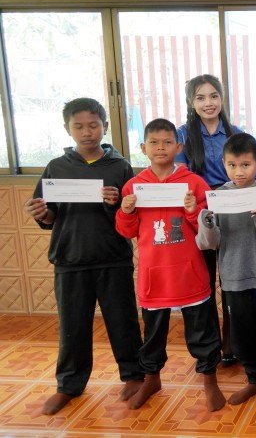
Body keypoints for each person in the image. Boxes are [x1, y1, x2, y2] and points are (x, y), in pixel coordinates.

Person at [23, 97, 143, 415]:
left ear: (105, 126)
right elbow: (49, 216)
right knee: (72, 326)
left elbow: (130, 216)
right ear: (68, 129)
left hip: (113, 257)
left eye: (93, 125)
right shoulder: (56, 167)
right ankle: (69, 385)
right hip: (69, 258)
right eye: (78, 126)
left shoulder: (120, 166)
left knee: (123, 322)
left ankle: (134, 375)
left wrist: (115, 204)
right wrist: (42, 213)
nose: (87, 132)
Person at [116, 118, 225, 412]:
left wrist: (193, 211)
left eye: (167, 142)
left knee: (202, 330)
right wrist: (126, 211)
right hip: (154, 275)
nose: (161, 148)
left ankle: (210, 380)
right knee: (153, 333)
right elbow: (127, 231)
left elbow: (209, 231)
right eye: (154, 142)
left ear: (179, 147)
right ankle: (152, 379)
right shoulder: (134, 186)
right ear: (143, 148)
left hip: (189, 272)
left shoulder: (195, 183)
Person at [196, 133, 256, 405]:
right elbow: (210, 243)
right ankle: (253, 379)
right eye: (232, 165)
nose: (239, 171)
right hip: (234, 277)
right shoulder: (219, 196)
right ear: (223, 164)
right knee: (241, 334)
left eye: (245, 164)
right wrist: (207, 224)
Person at [176, 74, 242, 367]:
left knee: (231, 283)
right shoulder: (181, 136)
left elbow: (245, 176)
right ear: (191, 102)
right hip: (196, 217)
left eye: (214, 96)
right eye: (200, 97)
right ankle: (208, 349)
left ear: (222, 98)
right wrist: (202, 205)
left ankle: (232, 345)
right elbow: (181, 179)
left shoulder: (236, 133)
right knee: (202, 284)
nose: (208, 103)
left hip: (232, 215)